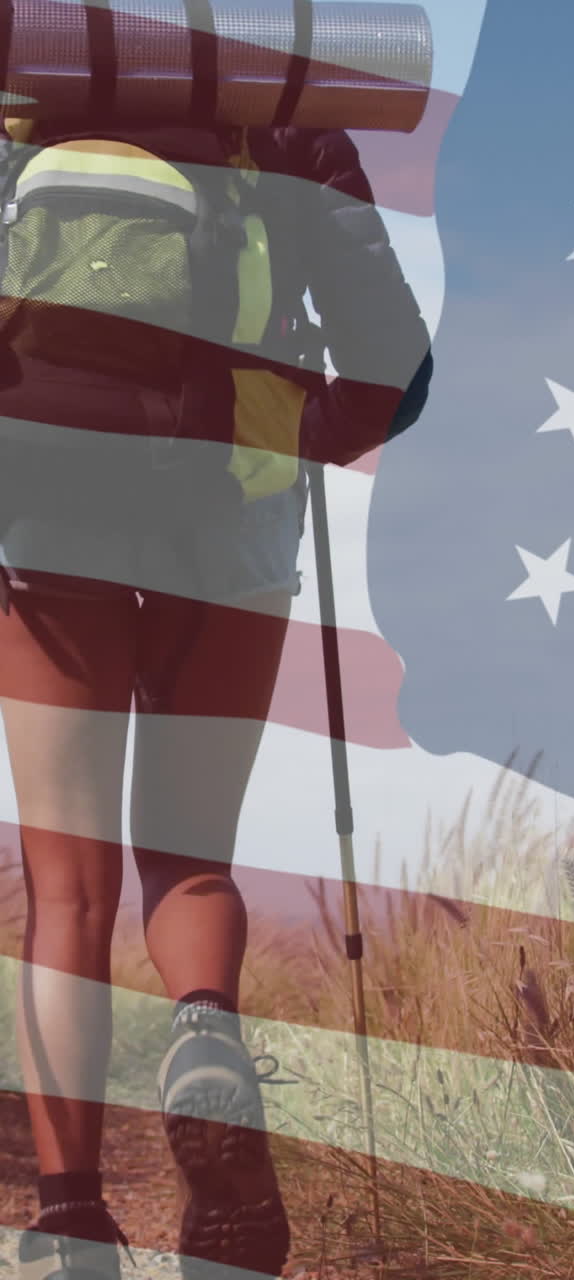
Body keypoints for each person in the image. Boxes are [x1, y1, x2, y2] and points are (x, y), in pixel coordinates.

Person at [0, 117, 432, 1280]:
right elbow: (399, 368)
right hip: (231, 512)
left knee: (67, 885)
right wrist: (284, 432)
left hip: (48, 506)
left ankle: (72, 1217)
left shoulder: (37, 98)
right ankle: (203, 1027)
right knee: (190, 860)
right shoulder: (288, 116)